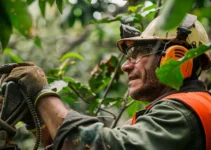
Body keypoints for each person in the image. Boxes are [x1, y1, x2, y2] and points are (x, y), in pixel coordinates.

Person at [0, 14, 211, 150]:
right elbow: (72, 145)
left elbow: (96, 146)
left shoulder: (185, 113)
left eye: (139, 53)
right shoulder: (166, 117)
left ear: (177, 57)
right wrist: (36, 118)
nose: (126, 66)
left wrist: (42, 95)